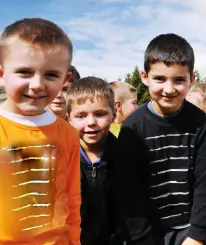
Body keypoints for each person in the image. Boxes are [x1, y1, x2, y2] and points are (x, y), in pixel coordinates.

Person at [115, 33, 206, 245]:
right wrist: (143, 238)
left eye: (179, 80)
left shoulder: (200, 123)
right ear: (145, 77)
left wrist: (197, 235)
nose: (169, 89)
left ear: (192, 80)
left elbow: (204, 182)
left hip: (188, 230)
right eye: (160, 79)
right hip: (148, 232)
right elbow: (130, 191)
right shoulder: (133, 127)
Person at [0, 18, 80, 244]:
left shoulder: (68, 133)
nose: (37, 84)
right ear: (1, 74)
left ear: (65, 79)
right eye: (24, 72)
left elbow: (72, 199)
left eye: (51, 75)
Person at [67, 77, 121, 245]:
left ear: (113, 114)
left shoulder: (126, 156)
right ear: (69, 118)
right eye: (81, 116)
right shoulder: (63, 159)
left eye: (100, 114)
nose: (91, 122)